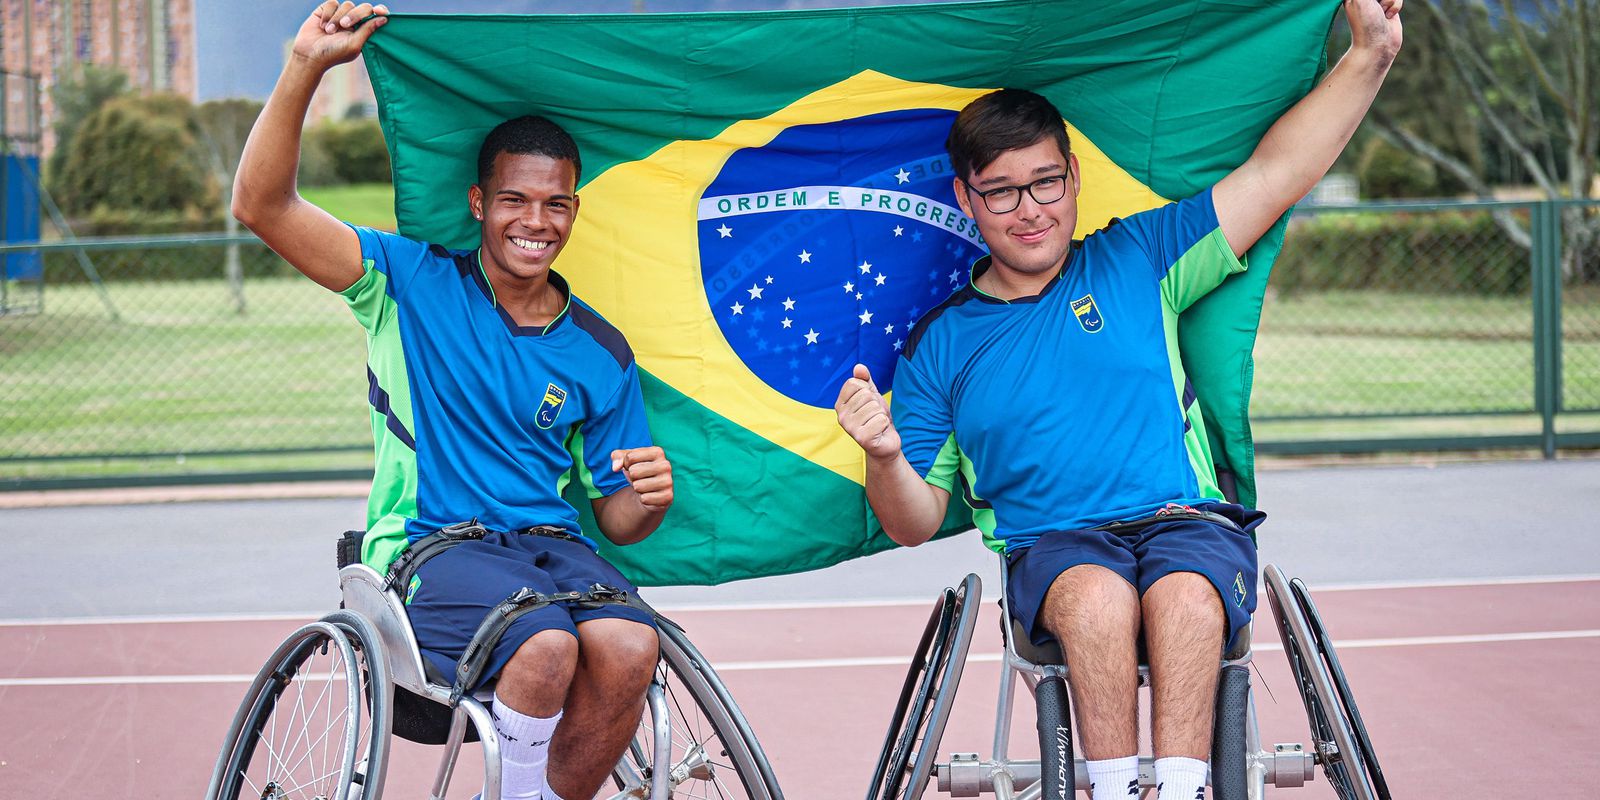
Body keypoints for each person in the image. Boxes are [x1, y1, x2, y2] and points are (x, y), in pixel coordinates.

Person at [834, 1, 1403, 798]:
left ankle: (1175, 788)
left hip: (1182, 519)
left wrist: (1370, 53)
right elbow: (912, 520)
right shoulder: (940, 345)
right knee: (1098, 599)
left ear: (1072, 177)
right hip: (1055, 544)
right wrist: (884, 454)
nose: (1029, 209)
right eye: (1001, 193)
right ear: (966, 201)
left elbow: (1276, 175)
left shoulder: (1140, 256)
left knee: (1186, 595)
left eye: (1045, 183)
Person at [233, 4, 674, 799]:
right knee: (544, 646)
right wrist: (305, 66)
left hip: (549, 545)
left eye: (556, 204)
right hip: (432, 547)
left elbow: (617, 520)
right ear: (480, 203)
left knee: (631, 644)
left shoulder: (600, 351)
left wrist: (647, 500)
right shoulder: (407, 283)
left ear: (574, 211)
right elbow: (262, 208)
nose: (535, 222)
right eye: (515, 200)